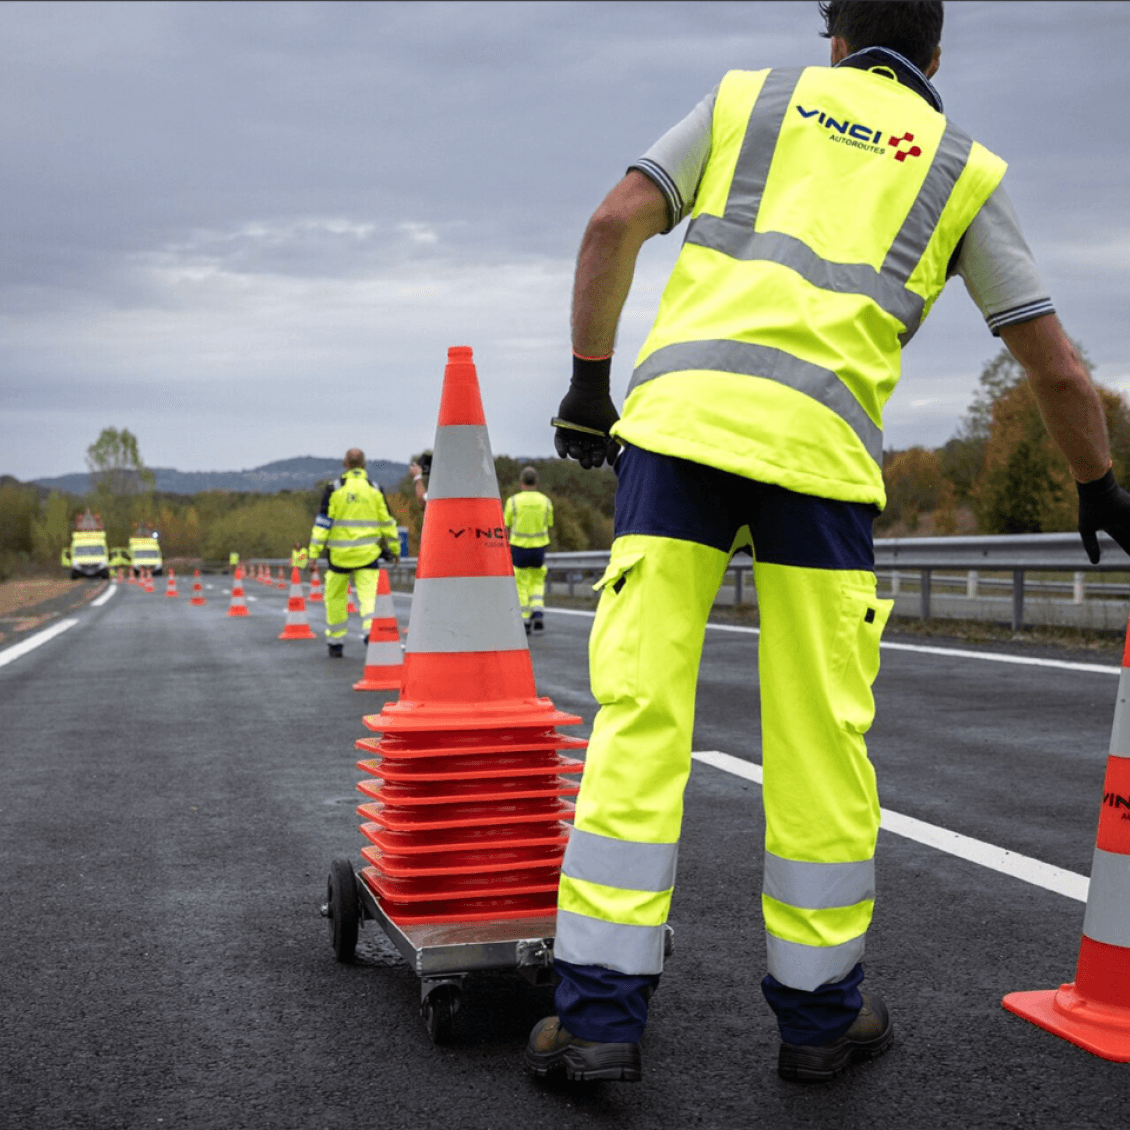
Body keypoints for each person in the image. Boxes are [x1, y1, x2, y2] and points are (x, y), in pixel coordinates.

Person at [529, 0, 1130, 1085]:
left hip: (677, 438)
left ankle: (596, 1021)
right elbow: (1054, 367)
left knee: (640, 718)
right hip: (819, 462)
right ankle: (819, 1021)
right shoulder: (959, 168)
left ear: (834, 37)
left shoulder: (744, 101)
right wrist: (1093, 482)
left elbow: (611, 221)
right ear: (935, 53)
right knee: (818, 745)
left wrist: (584, 384)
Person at [307, 448, 399, 657]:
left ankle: (335, 643)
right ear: (364, 465)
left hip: (339, 558)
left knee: (336, 600)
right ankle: (370, 633)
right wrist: (394, 549)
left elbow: (322, 525)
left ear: (345, 464)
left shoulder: (334, 489)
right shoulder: (375, 489)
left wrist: (313, 553)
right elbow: (387, 523)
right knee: (368, 598)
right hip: (367, 555)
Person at [504, 466, 555, 634]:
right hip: (539, 548)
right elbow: (549, 524)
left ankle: (525, 621)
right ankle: (538, 611)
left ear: (521, 483)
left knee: (521, 584)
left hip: (519, 548)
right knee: (537, 581)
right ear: (537, 483)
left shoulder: (513, 501)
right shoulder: (545, 501)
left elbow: (506, 525)